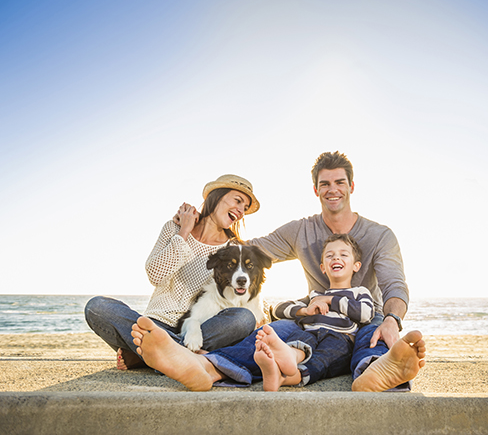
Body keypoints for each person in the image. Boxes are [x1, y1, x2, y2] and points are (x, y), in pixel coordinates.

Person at [129, 151, 426, 392]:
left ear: (351, 186)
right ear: (316, 189)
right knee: (267, 334)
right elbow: (250, 251)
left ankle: (375, 372)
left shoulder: (379, 235)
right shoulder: (302, 230)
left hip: (364, 317)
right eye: (325, 184)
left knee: (373, 335)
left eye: (339, 182)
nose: (332, 190)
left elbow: (394, 285)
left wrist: (392, 319)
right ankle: (207, 368)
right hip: (312, 316)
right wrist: (201, 228)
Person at [85, 174, 260, 370]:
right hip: (154, 325)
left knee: (243, 318)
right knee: (96, 306)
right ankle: (175, 356)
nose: (241, 211)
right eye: (238, 201)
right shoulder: (174, 228)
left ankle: (148, 355)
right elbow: (155, 274)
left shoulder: (233, 249)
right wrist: (184, 232)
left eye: (245, 208)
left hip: (199, 329)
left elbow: (239, 297)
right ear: (217, 196)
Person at [255, 233, 374, 391]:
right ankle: (288, 357)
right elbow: (278, 310)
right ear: (323, 268)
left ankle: (283, 377)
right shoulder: (315, 296)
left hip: (340, 339)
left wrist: (331, 300)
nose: (336, 258)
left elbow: (366, 314)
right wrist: (305, 310)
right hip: (311, 332)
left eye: (343, 255)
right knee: (301, 338)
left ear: (356, 266)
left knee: (321, 360)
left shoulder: (359, 292)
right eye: (330, 256)